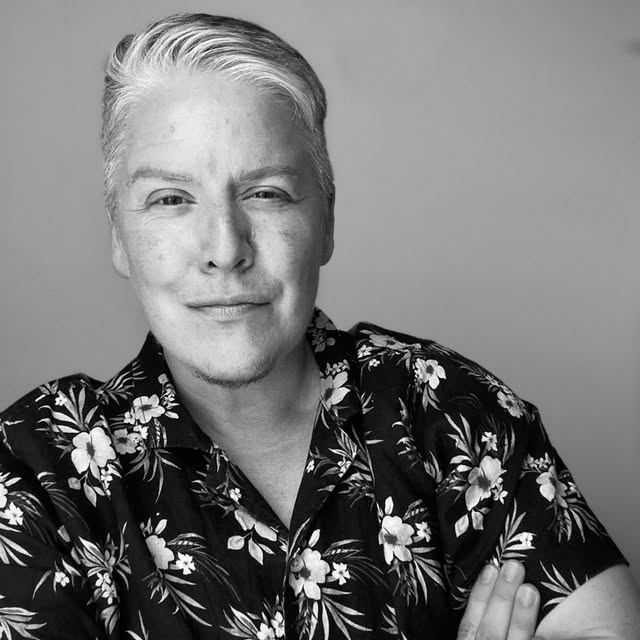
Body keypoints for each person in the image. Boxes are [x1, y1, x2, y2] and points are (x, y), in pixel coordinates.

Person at [0, 12, 638, 640]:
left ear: (326, 221)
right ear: (119, 235)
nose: (225, 249)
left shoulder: (445, 410)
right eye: (171, 199)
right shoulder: (38, 475)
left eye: (266, 193)